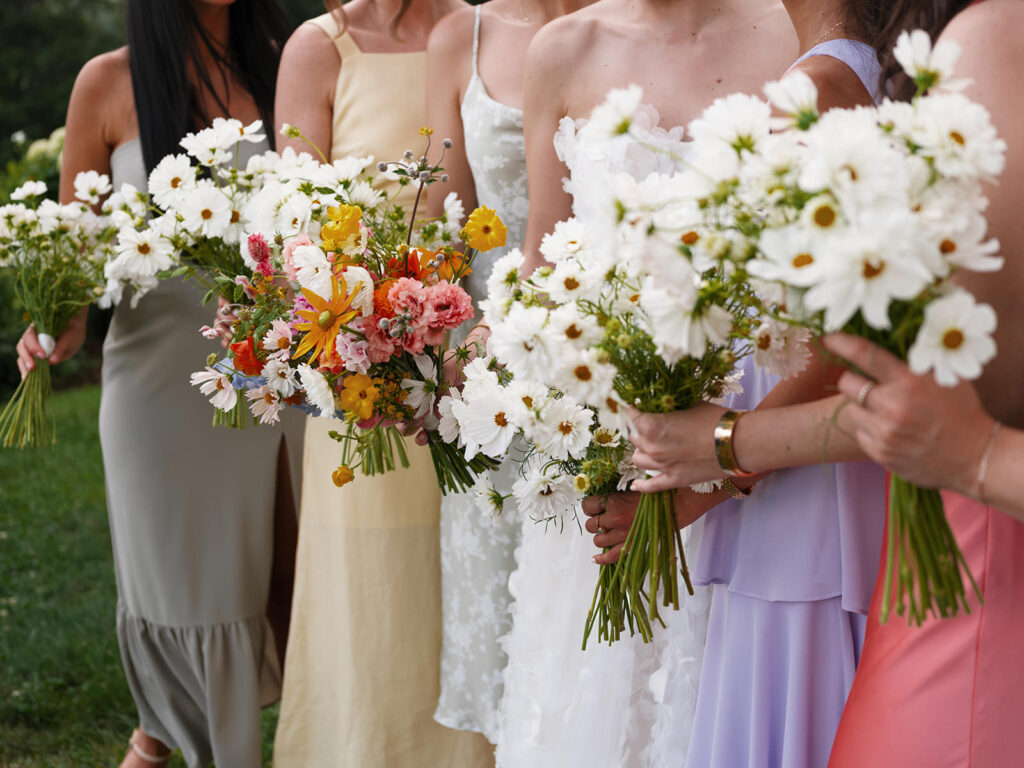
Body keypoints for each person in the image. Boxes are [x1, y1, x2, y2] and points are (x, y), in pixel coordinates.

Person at [600, 1, 1024, 763]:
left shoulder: (948, 56)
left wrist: (719, 454)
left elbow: (904, 377)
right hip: (901, 519)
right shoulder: (904, 76)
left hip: (881, 535)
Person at [491, 3, 797, 766]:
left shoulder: (796, 36)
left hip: (770, 456)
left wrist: (723, 465)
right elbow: (545, 260)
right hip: (615, 455)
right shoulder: (563, 49)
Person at [14, 1, 303, 766]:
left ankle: (162, 742)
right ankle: (166, 739)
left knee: (289, 571)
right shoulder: (105, 84)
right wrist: (56, 318)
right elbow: (79, 249)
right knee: (187, 587)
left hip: (280, 369)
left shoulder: (292, 60)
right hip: (156, 388)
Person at [268, 2, 494, 766]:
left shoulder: (475, 29)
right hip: (360, 379)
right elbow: (293, 229)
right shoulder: (317, 50)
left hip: (471, 358)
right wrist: (367, 344)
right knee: (371, 598)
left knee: (467, 582)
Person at [423, 0, 595, 744]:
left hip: (608, 356)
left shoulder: (631, 28)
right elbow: (441, 218)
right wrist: (410, 340)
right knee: (501, 607)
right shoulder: (464, 36)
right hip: (490, 382)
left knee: (593, 625)